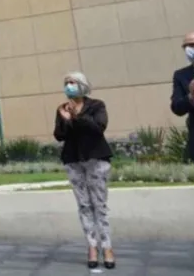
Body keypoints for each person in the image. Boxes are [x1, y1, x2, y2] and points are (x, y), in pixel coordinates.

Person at [54, 72, 115, 270]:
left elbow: (99, 127)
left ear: (82, 85)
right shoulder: (62, 108)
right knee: (84, 205)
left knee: (99, 204)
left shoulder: (96, 105)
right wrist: (65, 119)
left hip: (96, 159)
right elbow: (59, 135)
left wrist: (77, 116)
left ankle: (107, 247)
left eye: (72, 82)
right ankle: (91, 245)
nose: (69, 86)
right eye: (66, 83)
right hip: (73, 160)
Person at [172, 32, 194, 190]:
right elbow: (177, 107)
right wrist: (191, 97)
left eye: (193, 45)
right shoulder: (182, 76)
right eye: (185, 46)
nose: (188, 49)